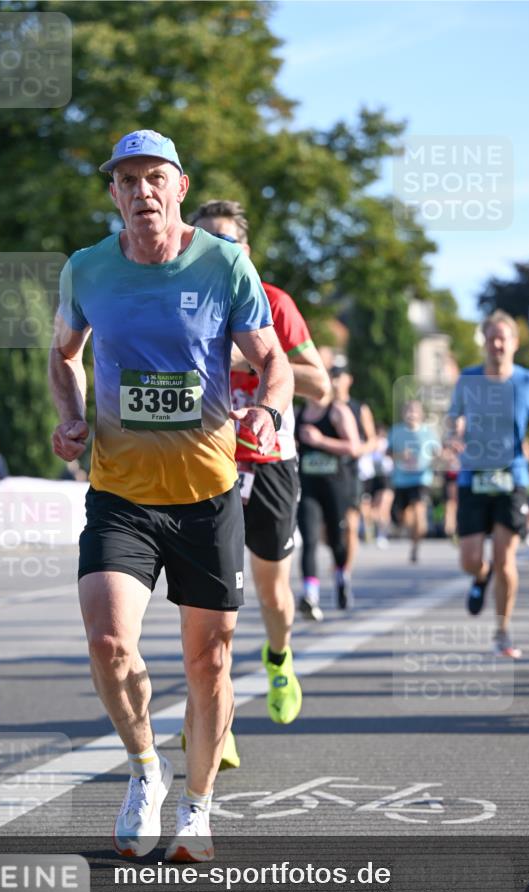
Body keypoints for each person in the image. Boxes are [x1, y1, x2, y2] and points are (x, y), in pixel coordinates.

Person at [48, 130, 292, 863]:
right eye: (127, 181)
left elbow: (272, 359)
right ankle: (145, 771)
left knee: (208, 662)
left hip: (206, 494)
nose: (142, 191)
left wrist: (267, 410)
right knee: (107, 640)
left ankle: (197, 806)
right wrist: (71, 414)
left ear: (180, 186)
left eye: (154, 177)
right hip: (120, 493)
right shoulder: (87, 268)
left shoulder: (224, 263)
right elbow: (63, 352)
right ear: (114, 193)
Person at [190, 199, 331, 730]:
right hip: (207, 464)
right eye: (203, 241)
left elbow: (319, 384)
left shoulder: (274, 302)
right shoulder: (182, 303)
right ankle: (213, 719)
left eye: (225, 242)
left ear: (245, 251)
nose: (214, 251)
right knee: (210, 603)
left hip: (270, 461)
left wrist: (249, 359)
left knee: (272, 592)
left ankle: (278, 659)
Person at [447, 310, 529, 658]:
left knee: (505, 557)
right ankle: (480, 577)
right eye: (491, 338)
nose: (497, 344)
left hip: (513, 477)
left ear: (514, 342)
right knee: (470, 559)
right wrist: (454, 435)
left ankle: (502, 631)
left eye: (503, 338)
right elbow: (454, 417)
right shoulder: (468, 379)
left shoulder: (528, 381)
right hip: (473, 476)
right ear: (484, 342)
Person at [295, 386, 361, 619]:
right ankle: (310, 595)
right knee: (309, 539)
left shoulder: (337, 411)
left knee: (336, 539)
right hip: (308, 487)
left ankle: (342, 577)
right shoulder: (298, 414)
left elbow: (354, 448)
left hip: (335, 486)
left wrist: (321, 440)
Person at [330, 362, 376, 587]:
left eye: (339, 376)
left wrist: (358, 450)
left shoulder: (359, 408)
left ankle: (345, 572)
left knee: (350, 524)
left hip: (351, 471)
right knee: (328, 528)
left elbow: (372, 440)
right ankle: (338, 561)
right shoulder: (323, 407)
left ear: (349, 379)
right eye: (332, 376)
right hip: (327, 473)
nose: (335, 381)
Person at [389, 399, 440, 563]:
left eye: (415, 411)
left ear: (421, 414)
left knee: (419, 513)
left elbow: (437, 453)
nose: (411, 414)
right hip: (401, 479)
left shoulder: (429, 432)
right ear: (403, 413)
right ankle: (411, 531)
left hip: (421, 478)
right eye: (408, 410)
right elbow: (388, 453)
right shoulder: (396, 431)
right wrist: (400, 456)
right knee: (402, 518)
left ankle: (415, 546)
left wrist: (437, 460)